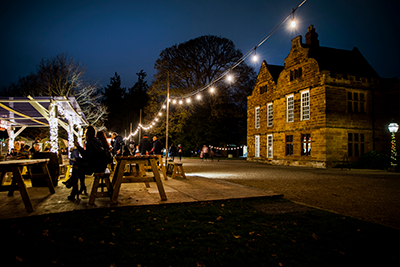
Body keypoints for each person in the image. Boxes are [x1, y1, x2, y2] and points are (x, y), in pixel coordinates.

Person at [65, 125, 108, 201]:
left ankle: (74, 188)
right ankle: (80, 187)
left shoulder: (90, 142)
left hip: (94, 166)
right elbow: (91, 156)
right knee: (78, 168)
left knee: (76, 167)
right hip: (100, 165)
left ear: (88, 134)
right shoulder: (97, 141)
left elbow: (87, 157)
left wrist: (78, 147)